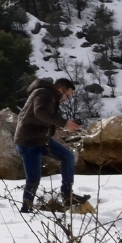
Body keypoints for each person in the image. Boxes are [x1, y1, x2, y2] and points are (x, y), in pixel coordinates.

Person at [15, 76, 85, 213]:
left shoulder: (49, 95)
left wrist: (65, 123)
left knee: (68, 157)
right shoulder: (44, 94)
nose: (67, 99)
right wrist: (64, 123)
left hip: (42, 139)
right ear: (59, 90)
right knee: (33, 179)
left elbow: (45, 118)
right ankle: (25, 209)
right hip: (29, 142)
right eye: (67, 95)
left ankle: (67, 196)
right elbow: (40, 113)